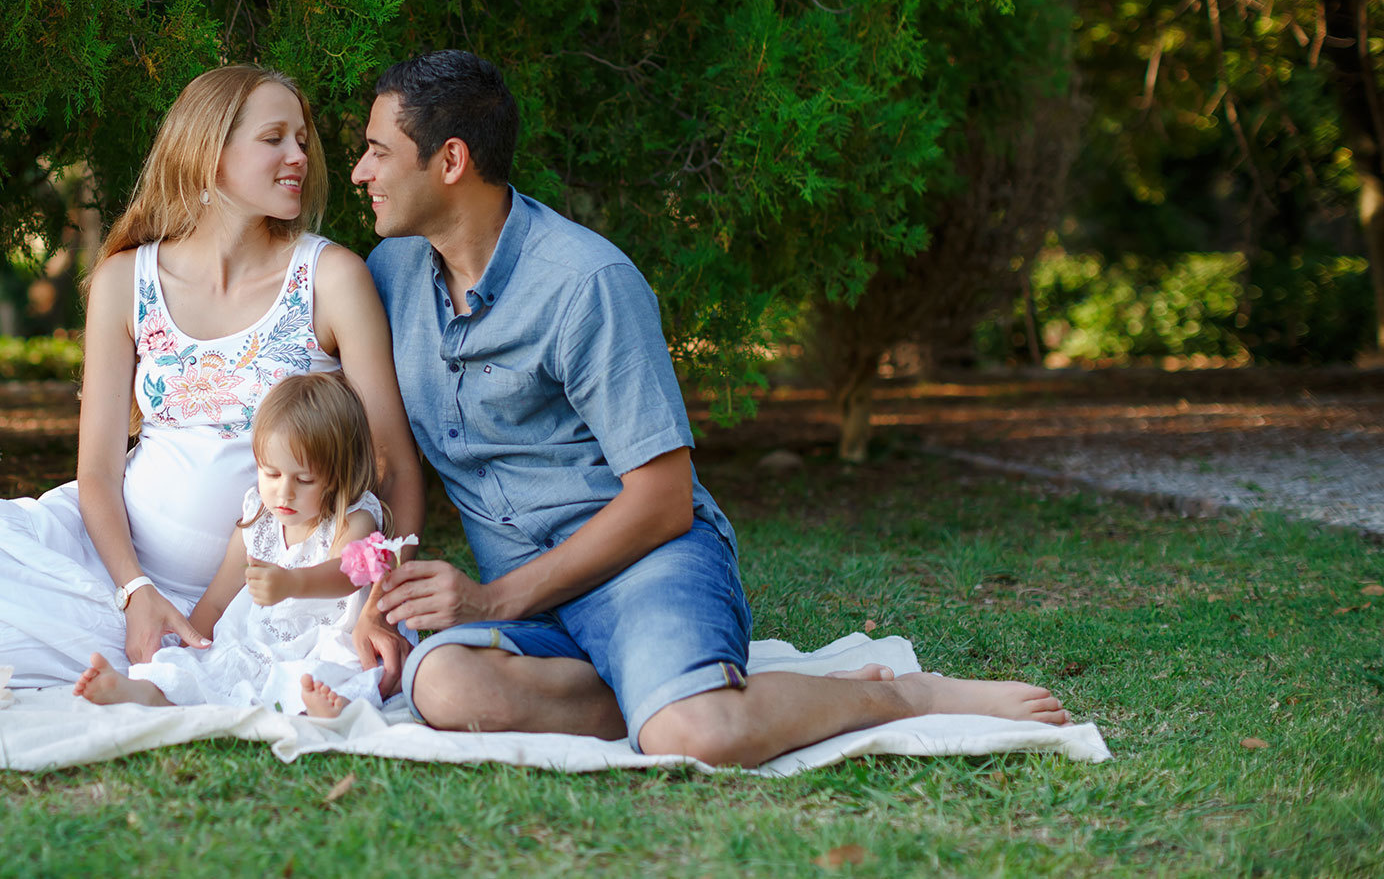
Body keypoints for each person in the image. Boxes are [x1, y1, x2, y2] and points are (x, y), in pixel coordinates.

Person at [352, 50, 1070, 768]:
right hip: (531, 602)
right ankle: (666, 691)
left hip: (643, 563)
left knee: (703, 738)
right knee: (440, 685)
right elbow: (382, 456)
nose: (360, 171)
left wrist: (493, 601)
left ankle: (902, 697)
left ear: (450, 160)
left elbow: (664, 502)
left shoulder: (585, 283)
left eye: (378, 151)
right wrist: (377, 597)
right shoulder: (389, 276)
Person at [0, 66, 422, 690]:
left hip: (271, 586)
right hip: (112, 564)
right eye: (275, 137)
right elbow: (97, 469)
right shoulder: (128, 279)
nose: (300, 155)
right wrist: (136, 589)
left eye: (302, 138)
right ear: (209, 152)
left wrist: (385, 597)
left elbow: (391, 462)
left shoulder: (329, 278)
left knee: (45, 652)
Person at [73, 370, 400, 718]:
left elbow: (348, 574)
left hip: (327, 640)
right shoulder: (259, 518)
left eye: (304, 480)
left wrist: (293, 583)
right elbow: (217, 599)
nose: (284, 492)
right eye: (271, 473)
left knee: (330, 670)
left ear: (339, 474)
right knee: (210, 667)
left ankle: (323, 706)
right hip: (260, 642)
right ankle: (147, 691)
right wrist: (190, 648)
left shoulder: (353, 518)